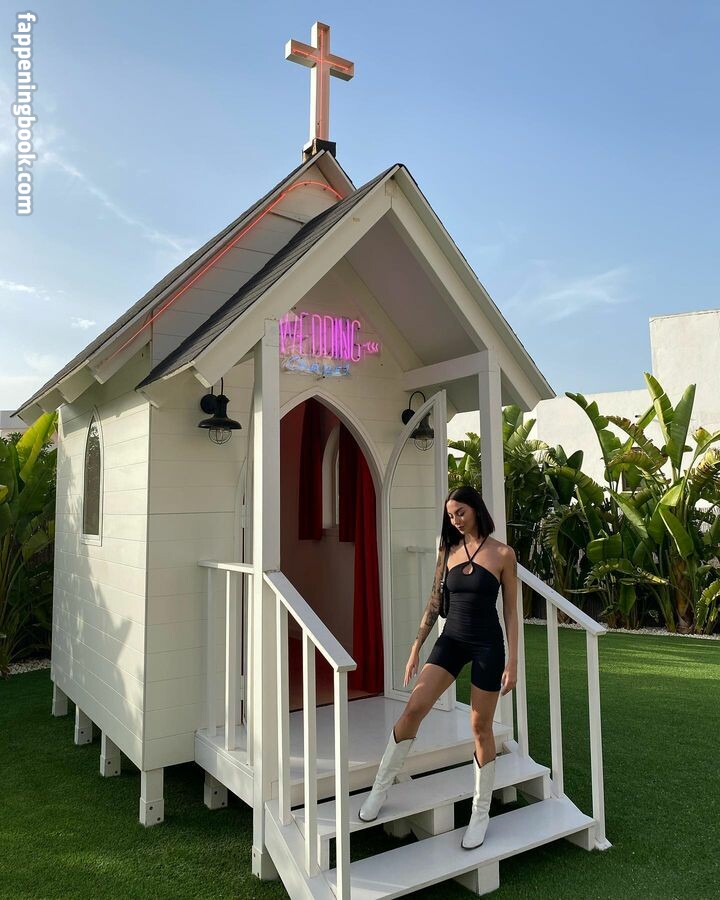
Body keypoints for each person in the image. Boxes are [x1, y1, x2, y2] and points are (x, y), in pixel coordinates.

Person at [358, 485, 519, 849]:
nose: (455, 520)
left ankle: (480, 813)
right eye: (450, 515)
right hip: (451, 641)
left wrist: (513, 660)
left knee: (480, 727)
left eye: (460, 512)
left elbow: (511, 610)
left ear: (476, 509)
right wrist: (416, 647)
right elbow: (435, 601)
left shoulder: (503, 554)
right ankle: (379, 790)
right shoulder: (448, 549)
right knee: (414, 707)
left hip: (487, 644)